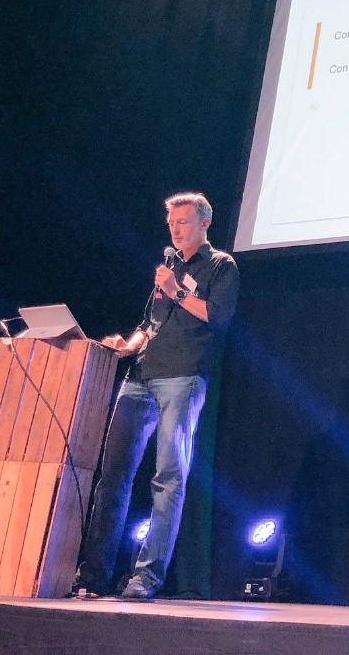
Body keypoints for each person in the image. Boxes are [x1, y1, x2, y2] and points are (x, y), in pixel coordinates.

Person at [73, 192, 239, 600]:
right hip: (139, 378)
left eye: (183, 222)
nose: (175, 230)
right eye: (171, 223)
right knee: (113, 477)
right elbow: (149, 324)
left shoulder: (220, 265)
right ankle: (93, 576)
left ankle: (145, 578)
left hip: (182, 378)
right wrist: (127, 346)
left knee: (167, 478)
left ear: (204, 224)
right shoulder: (170, 267)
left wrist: (177, 289)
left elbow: (219, 316)